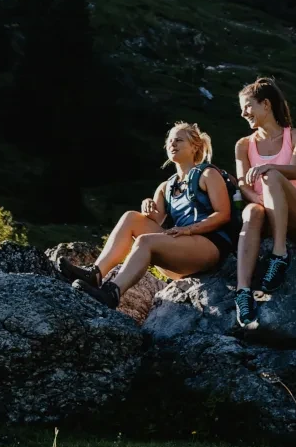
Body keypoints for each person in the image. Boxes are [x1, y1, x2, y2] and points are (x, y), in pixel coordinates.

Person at [56, 122, 232, 308]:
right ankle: (95, 274)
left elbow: (223, 214)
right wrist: (148, 207)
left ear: (195, 146)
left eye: (179, 140)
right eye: (170, 141)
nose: (172, 144)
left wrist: (188, 230)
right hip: (180, 253)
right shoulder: (166, 187)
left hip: (208, 247)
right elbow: (152, 222)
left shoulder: (208, 174)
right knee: (131, 217)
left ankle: (112, 293)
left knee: (145, 241)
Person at [233, 75, 296, 330]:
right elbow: (242, 183)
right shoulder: (243, 145)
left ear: (266, 105)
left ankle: (279, 254)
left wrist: (269, 167)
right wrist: (257, 199)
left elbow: (295, 169)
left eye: (248, 106)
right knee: (251, 213)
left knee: (272, 176)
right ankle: (243, 292)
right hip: (266, 212)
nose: (243, 113)